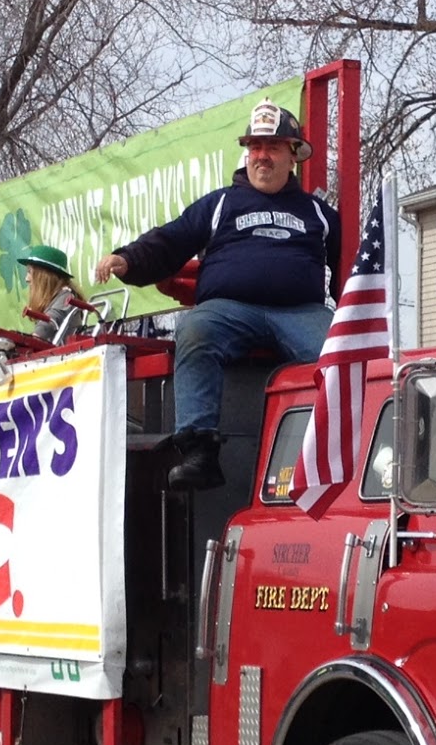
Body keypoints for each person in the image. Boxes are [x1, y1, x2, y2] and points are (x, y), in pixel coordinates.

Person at [94, 100, 340, 490]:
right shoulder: (221, 202)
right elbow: (172, 239)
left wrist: (361, 319)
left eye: (273, 147)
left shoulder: (319, 212)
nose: (261, 156)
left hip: (301, 311)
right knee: (195, 328)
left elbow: (349, 274)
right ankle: (199, 452)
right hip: (228, 310)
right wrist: (128, 259)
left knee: (342, 352)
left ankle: (337, 455)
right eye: (255, 147)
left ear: (293, 155)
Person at [20, 245, 85, 342]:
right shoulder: (57, 298)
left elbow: (46, 327)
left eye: (30, 272)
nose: (26, 279)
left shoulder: (66, 297)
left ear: (44, 276)